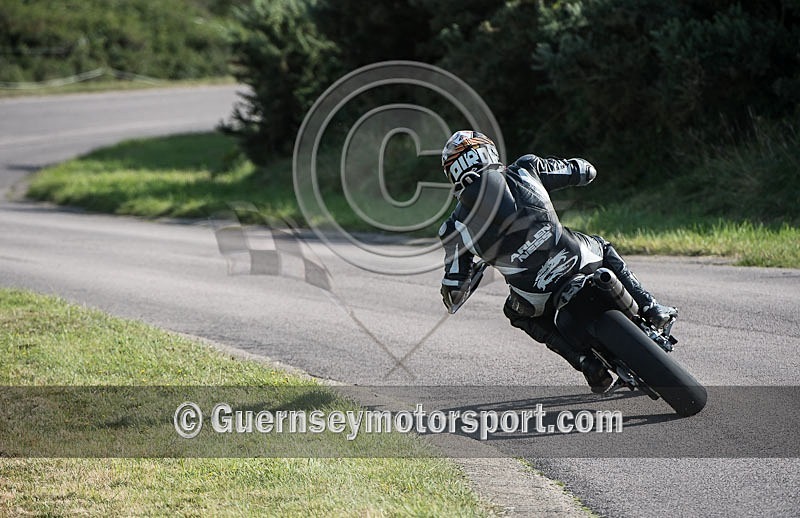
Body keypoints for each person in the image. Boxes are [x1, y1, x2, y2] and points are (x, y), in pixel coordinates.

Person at [437, 130, 677, 392]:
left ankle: (586, 364)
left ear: (453, 174)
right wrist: (579, 168)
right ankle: (652, 308)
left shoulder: (454, 228)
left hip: (534, 294)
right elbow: (586, 171)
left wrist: (470, 275)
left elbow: (454, 294)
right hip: (576, 256)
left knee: (515, 312)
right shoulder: (527, 168)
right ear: (488, 152)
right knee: (603, 246)